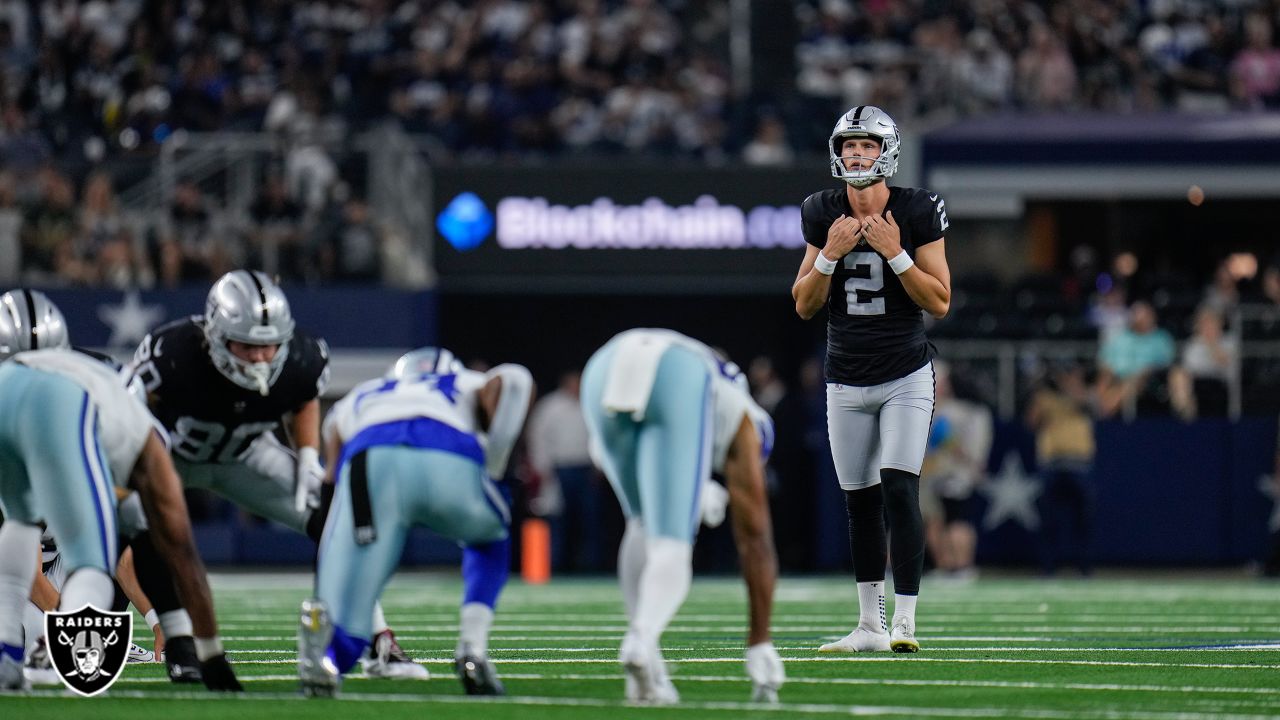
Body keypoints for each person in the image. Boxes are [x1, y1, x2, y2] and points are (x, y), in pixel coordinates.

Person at [124, 269, 424, 679]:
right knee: (132, 518)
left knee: (335, 516)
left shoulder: (301, 358)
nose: (260, 358)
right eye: (247, 346)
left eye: (269, 347)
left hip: (244, 457)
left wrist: (306, 456)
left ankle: (379, 640)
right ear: (215, 334)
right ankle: (179, 643)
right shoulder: (171, 354)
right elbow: (128, 415)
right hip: (170, 458)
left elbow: (304, 398)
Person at [792, 106, 951, 653]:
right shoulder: (821, 211)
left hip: (905, 372)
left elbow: (941, 300)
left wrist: (896, 253)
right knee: (859, 503)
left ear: (887, 153)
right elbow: (804, 304)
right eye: (850, 146)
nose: (858, 155)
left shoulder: (918, 208)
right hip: (845, 377)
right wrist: (830, 257)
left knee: (900, 490)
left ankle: (904, 621)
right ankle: (868, 626)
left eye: (868, 146)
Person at [0, 346, 241, 691]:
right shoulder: (129, 434)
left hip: (9, 393)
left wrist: (160, 624)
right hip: (24, 574)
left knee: (57, 531)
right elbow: (179, 549)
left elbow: (126, 556)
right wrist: (208, 649)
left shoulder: (80, 407)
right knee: (88, 565)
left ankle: (10, 650)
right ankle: (44, 644)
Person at [298, 348, 534, 697]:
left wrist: (342, 539)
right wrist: (496, 463)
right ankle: (472, 650)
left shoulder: (366, 392)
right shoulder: (464, 381)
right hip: (444, 454)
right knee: (491, 538)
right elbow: (513, 381)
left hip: (370, 461)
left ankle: (328, 661)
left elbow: (331, 477)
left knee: (356, 612)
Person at [580, 328, 784, 704]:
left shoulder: (718, 396)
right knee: (671, 544)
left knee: (640, 520)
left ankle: (649, 672)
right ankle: (641, 639)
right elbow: (755, 539)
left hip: (603, 366)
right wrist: (760, 640)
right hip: (676, 375)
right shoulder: (746, 421)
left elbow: (599, 452)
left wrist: (690, 490)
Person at [919, 362, 992, 580]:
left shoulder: (950, 411)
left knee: (953, 520)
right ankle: (962, 566)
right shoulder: (982, 412)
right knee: (962, 520)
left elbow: (943, 440)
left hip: (951, 471)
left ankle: (957, 566)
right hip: (969, 471)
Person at [525, 369, 602, 572]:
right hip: (559, 469)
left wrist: (599, 467)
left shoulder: (590, 404)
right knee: (557, 518)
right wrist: (542, 467)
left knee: (589, 520)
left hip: (585, 468)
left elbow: (599, 437)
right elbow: (538, 438)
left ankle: (590, 566)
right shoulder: (550, 407)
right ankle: (555, 564)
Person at [1025, 363, 1096, 576]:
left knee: (1084, 519)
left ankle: (1084, 568)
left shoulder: (1085, 395)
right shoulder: (1044, 397)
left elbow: (1096, 408)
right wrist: (1041, 393)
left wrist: (1070, 386)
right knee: (1048, 519)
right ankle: (1048, 568)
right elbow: (1031, 422)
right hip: (1052, 463)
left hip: (1079, 464)